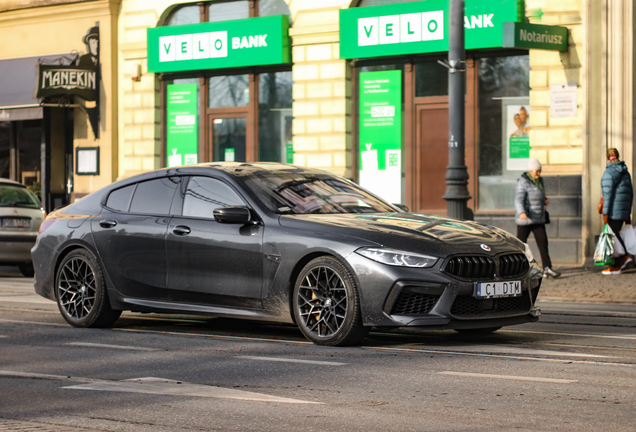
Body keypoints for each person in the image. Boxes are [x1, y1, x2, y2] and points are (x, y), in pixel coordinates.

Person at [515, 158, 561, 278]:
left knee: (543, 242)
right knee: (520, 245)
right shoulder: (522, 182)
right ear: (530, 170)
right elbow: (518, 199)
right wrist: (521, 212)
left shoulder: (540, 181)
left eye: (539, 171)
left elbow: (539, 194)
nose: (538, 173)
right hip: (526, 219)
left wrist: (544, 200)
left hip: (538, 218)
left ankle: (547, 268)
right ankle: (516, 267)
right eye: (536, 171)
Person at [600, 148, 634, 275]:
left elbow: (607, 195)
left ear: (607, 158)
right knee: (615, 237)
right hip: (623, 211)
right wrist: (628, 212)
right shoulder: (626, 173)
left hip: (613, 211)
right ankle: (617, 265)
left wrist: (606, 213)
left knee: (613, 237)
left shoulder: (608, 173)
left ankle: (623, 258)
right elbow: (631, 194)